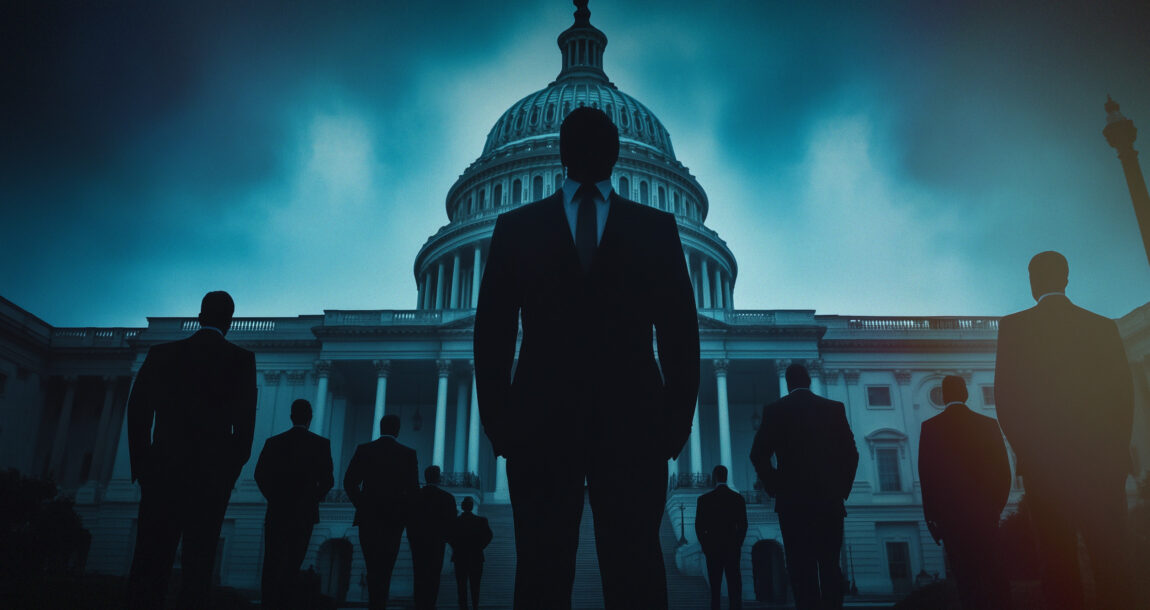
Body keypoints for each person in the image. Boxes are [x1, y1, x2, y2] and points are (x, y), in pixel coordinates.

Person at [474, 106, 700, 609]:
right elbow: (490, 336)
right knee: (539, 571)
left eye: (603, 143)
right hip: (539, 431)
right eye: (583, 142)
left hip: (634, 431)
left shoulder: (656, 228)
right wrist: (501, 427)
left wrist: (673, 429)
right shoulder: (517, 228)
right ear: (562, 153)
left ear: (618, 155)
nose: (595, 151)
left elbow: (682, 337)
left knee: (636, 569)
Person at [994, 251, 1134, 610]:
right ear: (1067, 279)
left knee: (1057, 568)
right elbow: (1123, 399)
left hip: (1046, 473)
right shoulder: (1102, 327)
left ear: (1032, 282)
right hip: (1101, 470)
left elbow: (1006, 404)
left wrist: (1031, 457)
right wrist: (1117, 459)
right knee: (1111, 565)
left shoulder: (1013, 328)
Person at [126, 290, 257, 609]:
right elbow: (244, 428)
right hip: (211, 481)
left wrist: (144, 468)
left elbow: (138, 413)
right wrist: (228, 474)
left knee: (150, 566)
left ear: (200, 317)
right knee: (198, 570)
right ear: (230, 322)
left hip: (162, 474)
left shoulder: (162, 354)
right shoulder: (241, 360)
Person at [749, 363, 858, 610]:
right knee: (830, 566)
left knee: (800, 567)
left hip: (793, 504)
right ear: (809, 380)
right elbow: (852, 454)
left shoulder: (775, 411)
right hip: (829, 502)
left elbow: (757, 454)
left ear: (787, 384)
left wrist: (775, 486)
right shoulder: (833, 409)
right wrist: (841, 489)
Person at [918, 375, 1011, 609]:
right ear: (966, 395)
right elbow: (1003, 472)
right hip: (984, 516)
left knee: (965, 581)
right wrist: (994, 509)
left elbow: (927, 477)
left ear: (943, 396)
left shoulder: (930, 428)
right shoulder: (988, 424)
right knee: (994, 575)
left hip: (950, 521)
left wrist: (932, 519)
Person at [254, 399, 335, 609]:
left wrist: (274, 497)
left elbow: (259, 474)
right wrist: (312, 499)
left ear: (292, 416)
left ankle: (268, 605)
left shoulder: (274, 442)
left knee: (271, 563)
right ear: (310, 418)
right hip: (304, 514)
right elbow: (328, 481)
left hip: (277, 512)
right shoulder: (320, 444)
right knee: (293, 564)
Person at [344, 414, 419, 610]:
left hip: (368, 518)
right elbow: (413, 492)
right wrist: (404, 513)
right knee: (386, 567)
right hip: (394, 520)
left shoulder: (365, 450)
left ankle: (374, 605)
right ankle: (380, 605)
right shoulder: (408, 454)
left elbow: (349, 482)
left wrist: (362, 504)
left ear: (380, 428)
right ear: (398, 430)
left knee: (372, 566)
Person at [695, 465, 748, 610]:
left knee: (715, 589)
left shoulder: (704, 500)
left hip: (713, 550)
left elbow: (699, 527)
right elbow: (743, 525)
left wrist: (706, 547)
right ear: (726, 476)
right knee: (735, 587)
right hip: (732, 549)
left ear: (714, 477)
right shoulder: (737, 498)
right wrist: (738, 544)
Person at [408, 465, 458, 610]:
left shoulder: (415, 496)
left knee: (418, 573)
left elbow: (408, 518)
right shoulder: (447, 498)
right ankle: (430, 604)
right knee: (434, 574)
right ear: (438, 478)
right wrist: (448, 539)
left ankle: (419, 604)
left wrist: (412, 537)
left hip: (417, 541)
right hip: (437, 542)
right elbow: (452, 522)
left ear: (426, 477)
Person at [448, 497, 493, 610]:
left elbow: (449, 537)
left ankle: (463, 607)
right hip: (476, 557)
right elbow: (489, 536)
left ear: (463, 507)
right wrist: (480, 547)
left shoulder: (455, 522)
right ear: (471, 507)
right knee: (475, 586)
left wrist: (456, 547)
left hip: (460, 557)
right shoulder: (481, 521)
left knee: (461, 586)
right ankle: (475, 607)